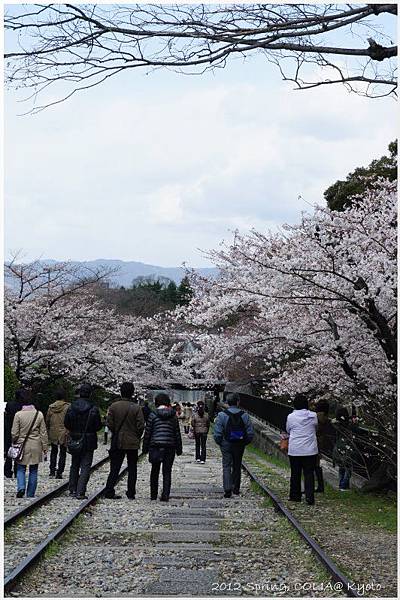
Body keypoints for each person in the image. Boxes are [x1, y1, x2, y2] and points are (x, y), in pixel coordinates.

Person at [104, 382, 145, 500]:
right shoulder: (136, 408)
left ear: (121, 392)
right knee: (132, 467)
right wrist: (137, 436)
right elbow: (141, 425)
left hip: (118, 440)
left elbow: (109, 423)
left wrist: (116, 432)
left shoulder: (113, 406)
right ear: (132, 393)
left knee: (115, 467)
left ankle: (109, 490)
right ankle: (131, 492)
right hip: (132, 441)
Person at [64, 383, 102, 500]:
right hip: (89, 440)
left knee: (74, 464)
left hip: (75, 438)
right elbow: (98, 425)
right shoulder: (93, 408)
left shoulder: (72, 407)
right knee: (86, 466)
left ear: (79, 393)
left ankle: (72, 489)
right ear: (90, 394)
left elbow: (67, 423)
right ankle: (80, 491)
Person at [142, 392, 182, 502]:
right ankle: (165, 495)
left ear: (156, 403)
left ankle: (153, 495)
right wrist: (179, 449)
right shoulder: (173, 416)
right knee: (167, 471)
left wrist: (145, 448)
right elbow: (177, 433)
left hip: (155, 445)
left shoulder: (152, 415)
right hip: (170, 446)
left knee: (154, 470)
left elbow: (148, 433)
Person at [213, 393, 254, 498]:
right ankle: (236, 488)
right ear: (238, 402)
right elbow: (250, 433)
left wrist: (220, 442)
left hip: (226, 443)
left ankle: (227, 488)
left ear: (227, 402)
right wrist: (244, 442)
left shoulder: (222, 415)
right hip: (239, 444)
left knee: (226, 465)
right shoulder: (244, 415)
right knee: (237, 465)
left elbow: (217, 433)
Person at [11, 389, 48, 498]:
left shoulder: (18, 415)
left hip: (22, 445)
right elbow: (43, 433)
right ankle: (30, 493)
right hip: (36, 445)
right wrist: (45, 447)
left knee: (20, 468)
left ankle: (21, 487)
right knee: (34, 470)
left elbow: (14, 433)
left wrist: (14, 441)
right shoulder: (39, 414)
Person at [286, 394, 318, 505]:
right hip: (310, 450)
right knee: (309, 473)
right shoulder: (313, 416)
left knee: (295, 473)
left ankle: (295, 495)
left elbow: (288, 429)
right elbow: (315, 428)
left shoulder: (291, 417)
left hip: (295, 449)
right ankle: (310, 497)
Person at [332, 406, 361, 491]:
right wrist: (355, 423)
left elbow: (333, 421)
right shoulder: (349, 425)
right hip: (348, 447)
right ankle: (343, 485)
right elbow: (356, 430)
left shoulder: (337, 424)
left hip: (339, 446)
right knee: (348, 467)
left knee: (341, 466)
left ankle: (342, 484)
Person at [46, 388, 70, 479]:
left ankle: (52, 471)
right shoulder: (67, 407)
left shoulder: (51, 407)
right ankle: (60, 472)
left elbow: (47, 420)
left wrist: (48, 428)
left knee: (53, 451)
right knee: (63, 452)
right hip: (64, 431)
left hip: (53, 431)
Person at [314, 399, 336, 493]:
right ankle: (320, 485)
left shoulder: (317, 417)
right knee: (317, 464)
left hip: (315, 441)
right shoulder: (327, 419)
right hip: (321, 441)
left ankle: (320, 486)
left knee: (314, 464)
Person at [4, 389, 23, 478]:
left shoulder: (9, 404)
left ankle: (7, 470)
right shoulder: (22, 406)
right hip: (19, 430)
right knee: (18, 451)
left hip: (9, 429)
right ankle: (16, 470)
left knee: (9, 451)